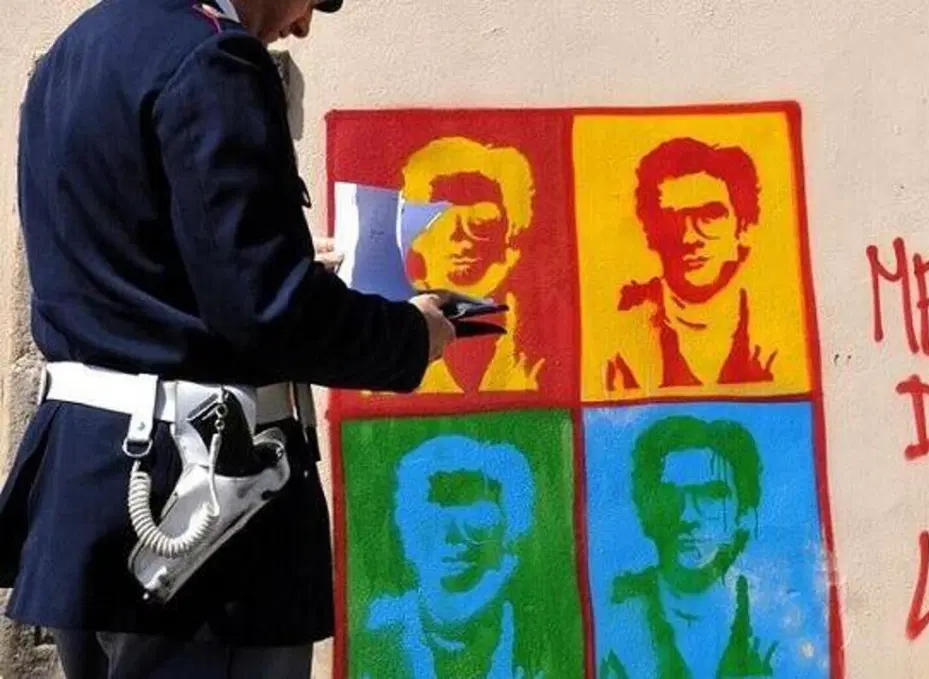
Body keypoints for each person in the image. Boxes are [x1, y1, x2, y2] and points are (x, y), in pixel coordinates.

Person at [0, 0, 458, 676]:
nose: (303, 25)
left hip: (88, 490)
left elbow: (133, 269)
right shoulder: (212, 55)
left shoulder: (76, 50)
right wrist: (412, 334)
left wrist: (279, 265)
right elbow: (270, 310)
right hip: (199, 517)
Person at [598, 415, 776, 678]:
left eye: (711, 495)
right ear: (646, 512)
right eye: (671, 496)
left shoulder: (772, 627)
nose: (688, 515)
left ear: (743, 513)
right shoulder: (616, 626)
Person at [604, 137, 777, 392]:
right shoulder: (619, 347)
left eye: (710, 216)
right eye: (671, 219)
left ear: (742, 226)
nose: (689, 238)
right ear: (651, 234)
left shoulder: (775, 339)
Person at [361, 435, 540, 678]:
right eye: (433, 519)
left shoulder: (535, 641)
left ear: (510, 533)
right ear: (409, 536)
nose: (452, 538)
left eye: (477, 518)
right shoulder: (377, 639)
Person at [398, 136, 544, 394]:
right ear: (417, 239)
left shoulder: (536, 344)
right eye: (443, 220)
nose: (461, 239)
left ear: (509, 232)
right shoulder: (387, 336)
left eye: (480, 221)